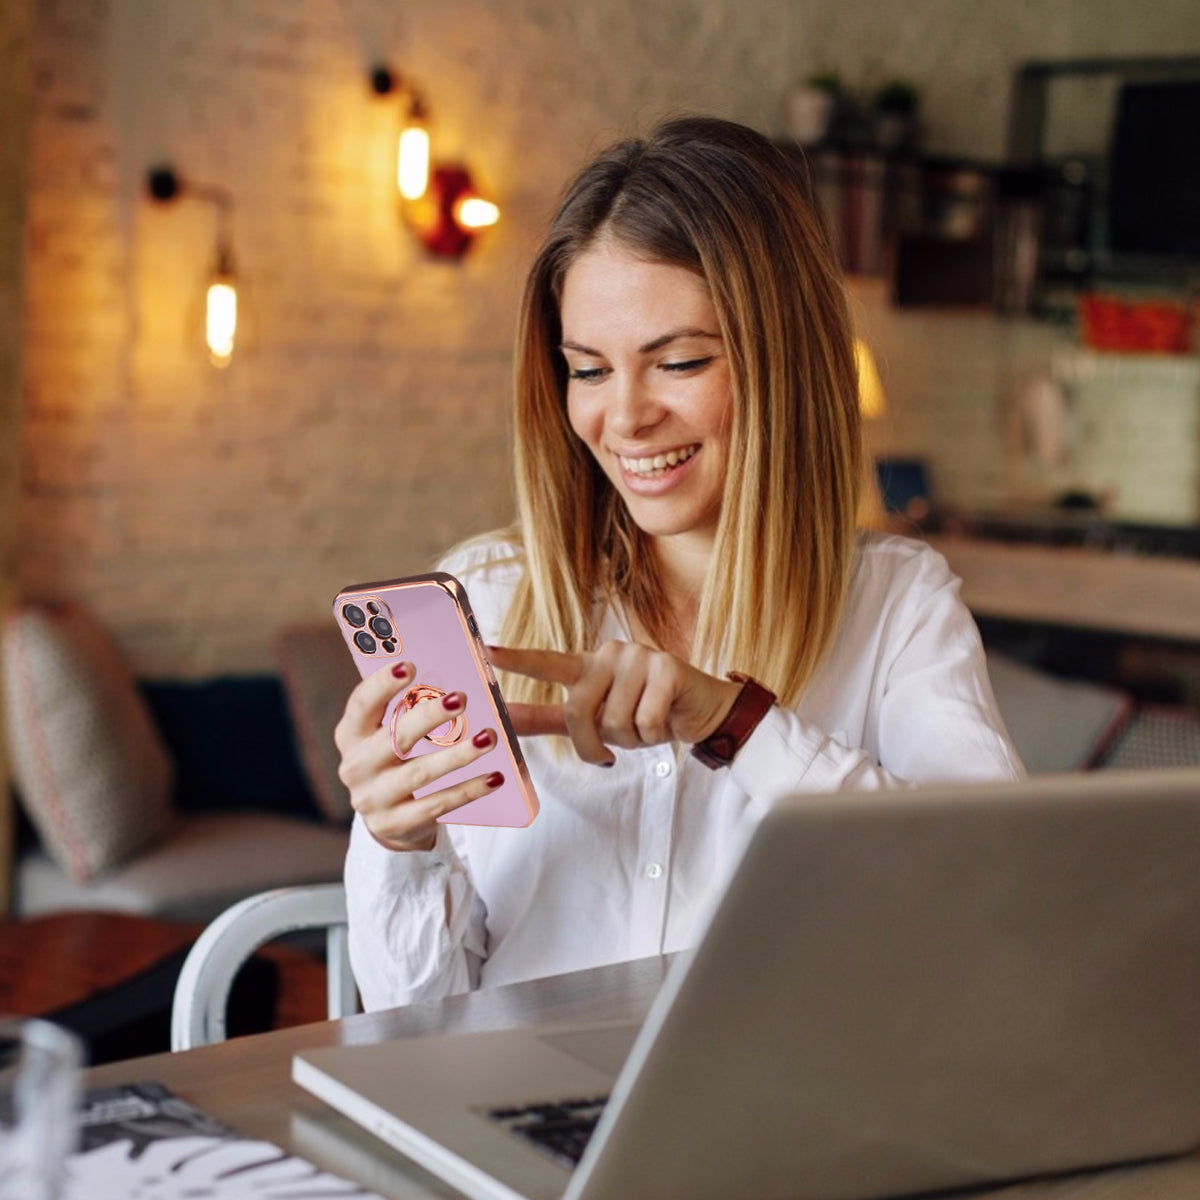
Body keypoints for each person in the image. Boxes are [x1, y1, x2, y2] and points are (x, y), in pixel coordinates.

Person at [337, 115, 1025, 1011]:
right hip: (520, 1112)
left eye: (680, 362)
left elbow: (992, 903)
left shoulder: (897, 608)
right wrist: (399, 846)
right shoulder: (489, 600)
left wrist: (734, 720)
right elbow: (415, 1017)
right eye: (588, 369)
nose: (623, 418)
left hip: (776, 1120)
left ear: (784, 365)